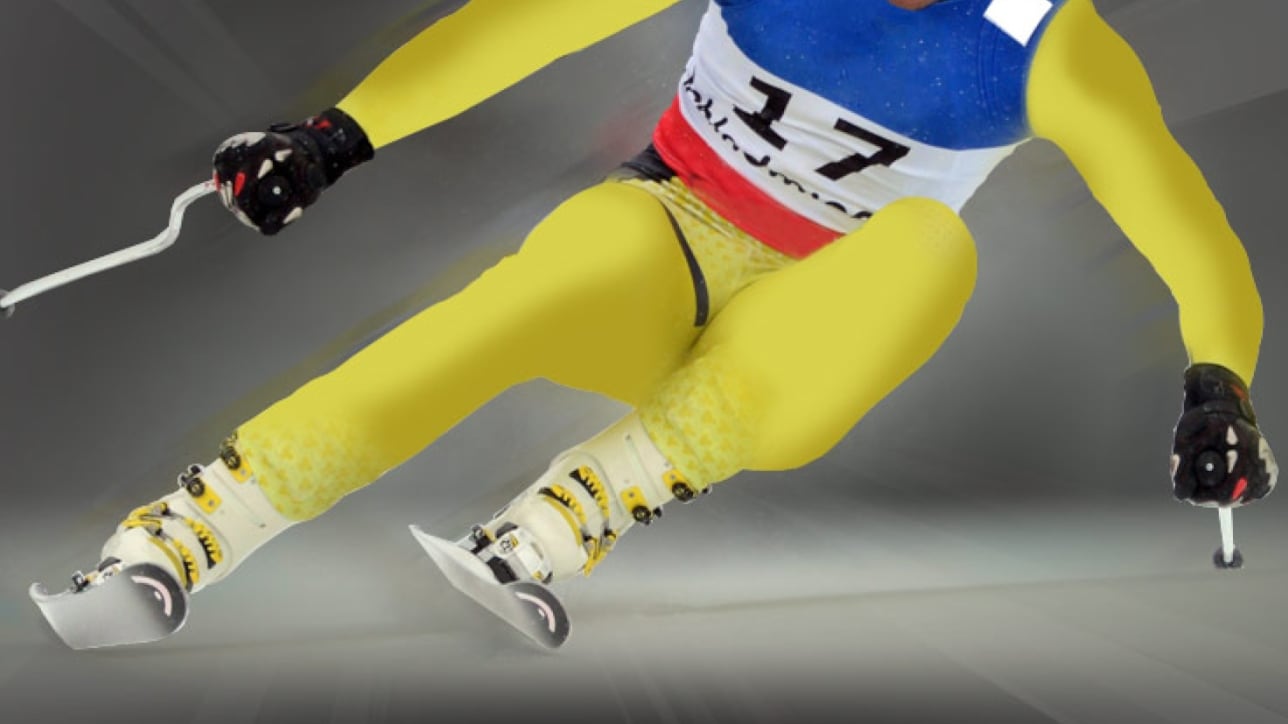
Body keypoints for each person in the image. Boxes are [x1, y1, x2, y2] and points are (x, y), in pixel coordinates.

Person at [66, 0, 1279, 618]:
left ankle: (588, 500)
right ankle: (207, 518)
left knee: (929, 246)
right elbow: (536, 21)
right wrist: (337, 135)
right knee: (566, 266)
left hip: (813, 322)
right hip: (667, 243)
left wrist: (1217, 386)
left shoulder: (1044, 42)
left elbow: (1186, 229)